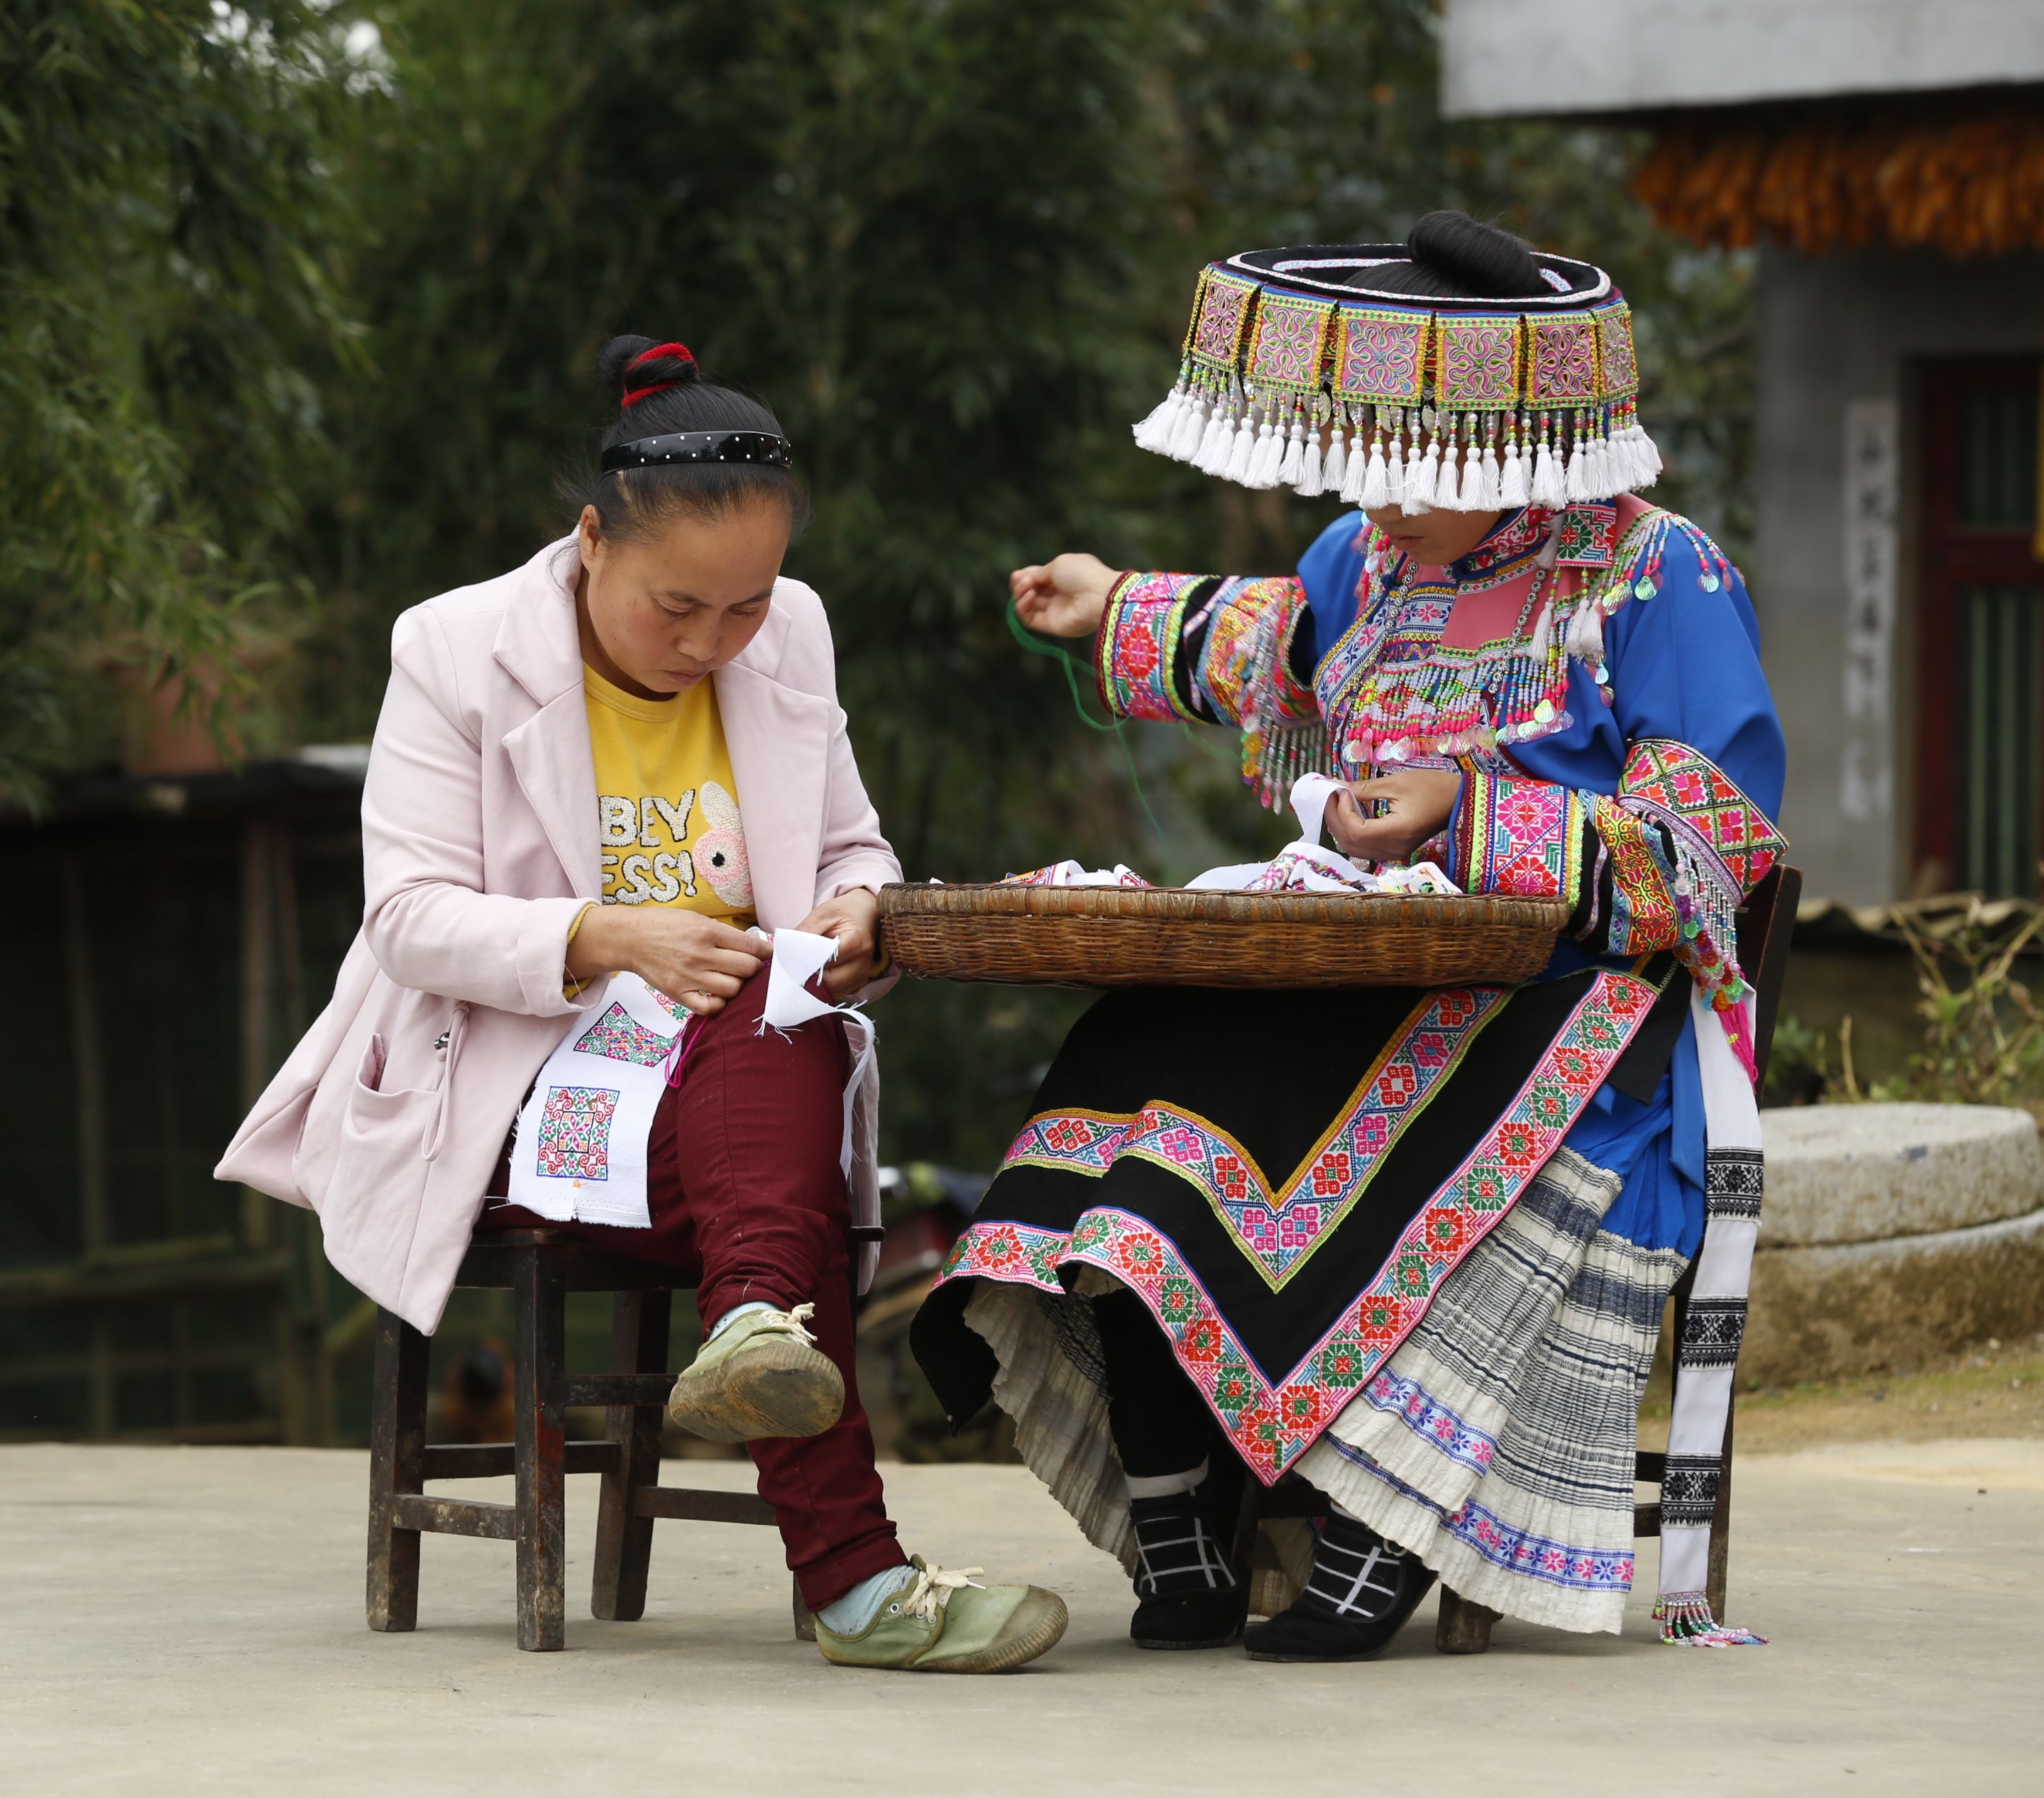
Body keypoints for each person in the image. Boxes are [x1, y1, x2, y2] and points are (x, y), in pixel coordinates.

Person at [911, 213, 1786, 1660]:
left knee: (1380, 1125)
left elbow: (1706, 856)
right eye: (1364, 461)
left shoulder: (1656, 578)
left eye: (1415, 469)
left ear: (1515, 438)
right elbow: (1270, 639)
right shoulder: (1363, 559)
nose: (1378, 503)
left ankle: (1387, 1522)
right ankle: (1175, 1513)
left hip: (1571, 1014)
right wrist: (1111, 604)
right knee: (1136, 1065)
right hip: (1352, 978)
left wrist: (1463, 809)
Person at [219, 335, 1066, 1673]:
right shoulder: (453, 647)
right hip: (518, 1086)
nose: (711, 642)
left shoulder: (794, 632)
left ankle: (760, 1344)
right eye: (677, 607)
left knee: (779, 1031)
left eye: (745, 609)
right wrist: (608, 936)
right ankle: (844, 1557)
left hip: (728, 1080)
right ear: (590, 542)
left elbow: (852, 848)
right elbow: (408, 917)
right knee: (781, 1137)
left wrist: (861, 913)